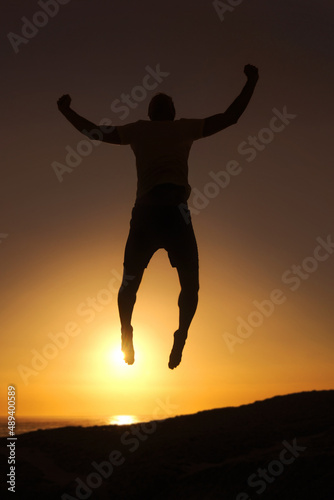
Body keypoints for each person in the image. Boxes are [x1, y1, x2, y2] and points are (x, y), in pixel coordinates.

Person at [57, 64, 259, 369]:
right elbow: (96, 132)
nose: (162, 106)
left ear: (170, 112)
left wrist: (251, 82)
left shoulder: (175, 128)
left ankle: (180, 336)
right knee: (132, 284)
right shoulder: (146, 129)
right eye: (157, 104)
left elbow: (230, 118)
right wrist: (67, 112)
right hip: (151, 216)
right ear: (155, 113)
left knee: (187, 286)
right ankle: (127, 331)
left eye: (164, 104)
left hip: (169, 216)